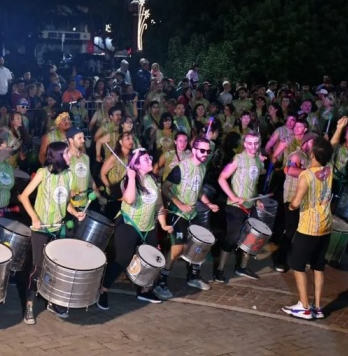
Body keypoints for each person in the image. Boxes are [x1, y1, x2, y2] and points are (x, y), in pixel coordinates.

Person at [18, 141, 85, 324]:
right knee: (37, 267)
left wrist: (74, 211)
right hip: (41, 229)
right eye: (67, 153)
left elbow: (65, 201)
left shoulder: (69, 175)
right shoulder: (42, 173)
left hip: (58, 228)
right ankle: (30, 306)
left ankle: (53, 303)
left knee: (57, 267)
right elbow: (23, 196)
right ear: (57, 156)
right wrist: (34, 218)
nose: (70, 155)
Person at [97, 149, 173, 310]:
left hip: (149, 226)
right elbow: (130, 199)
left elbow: (159, 207)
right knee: (122, 259)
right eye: (146, 159)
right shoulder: (128, 180)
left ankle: (144, 290)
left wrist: (164, 224)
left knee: (152, 259)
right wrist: (131, 177)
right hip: (128, 223)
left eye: (149, 157)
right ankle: (103, 290)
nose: (150, 160)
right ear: (136, 165)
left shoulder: (153, 181)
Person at [154, 137, 219, 299]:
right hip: (178, 213)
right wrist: (179, 203)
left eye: (208, 151)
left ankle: (193, 277)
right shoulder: (181, 168)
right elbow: (165, 188)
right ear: (194, 150)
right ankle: (160, 281)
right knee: (177, 248)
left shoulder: (202, 168)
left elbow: (198, 190)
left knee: (198, 244)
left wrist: (208, 203)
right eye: (202, 150)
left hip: (193, 212)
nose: (205, 154)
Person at [282, 136, 334, 320]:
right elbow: (330, 147)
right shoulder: (329, 170)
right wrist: (339, 129)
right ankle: (318, 307)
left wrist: (290, 207)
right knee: (318, 267)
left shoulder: (306, 175)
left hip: (309, 227)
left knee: (298, 265)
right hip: (326, 225)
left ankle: (304, 306)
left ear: (312, 154)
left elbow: (296, 202)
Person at [212, 131, 265, 282]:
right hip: (235, 206)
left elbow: (253, 184)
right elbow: (222, 178)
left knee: (252, 236)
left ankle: (242, 267)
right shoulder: (238, 159)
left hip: (250, 205)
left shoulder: (258, 160)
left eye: (256, 143)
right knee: (232, 238)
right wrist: (233, 197)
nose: (253, 146)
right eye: (249, 143)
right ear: (245, 144)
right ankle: (220, 270)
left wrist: (257, 200)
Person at [273, 133, 317, 273]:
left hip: (303, 199)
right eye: (314, 142)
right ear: (307, 142)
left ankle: (298, 259)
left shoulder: (309, 157)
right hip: (292, 198)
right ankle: (280, 259)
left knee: (301, 229)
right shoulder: (296, 155)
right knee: (291, 229)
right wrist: (311, 173)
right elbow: (291, 170)